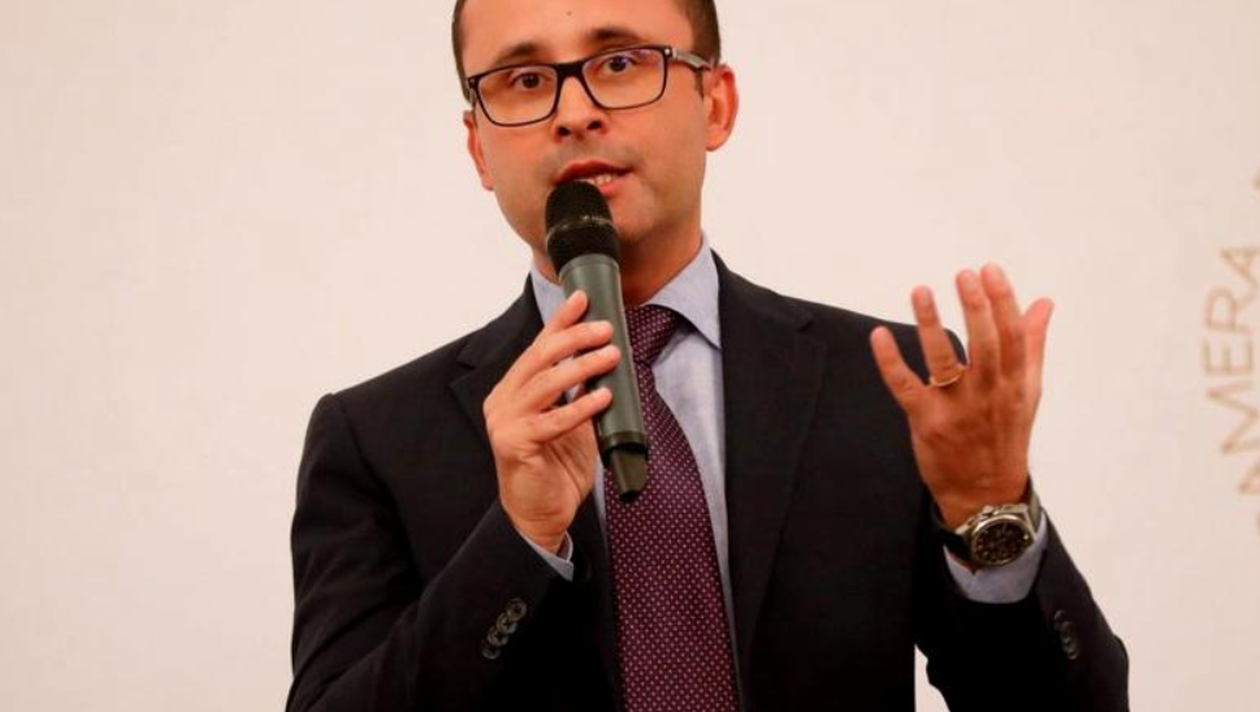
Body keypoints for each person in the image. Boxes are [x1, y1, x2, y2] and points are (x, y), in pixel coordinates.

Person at [286, 0, 1129, 710]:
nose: (573, 112)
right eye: (525, 80)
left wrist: (991, 517)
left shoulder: (887, 387)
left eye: (621, 63)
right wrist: (520, 538)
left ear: (716, 103)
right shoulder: (374, 441)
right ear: (479, 148)